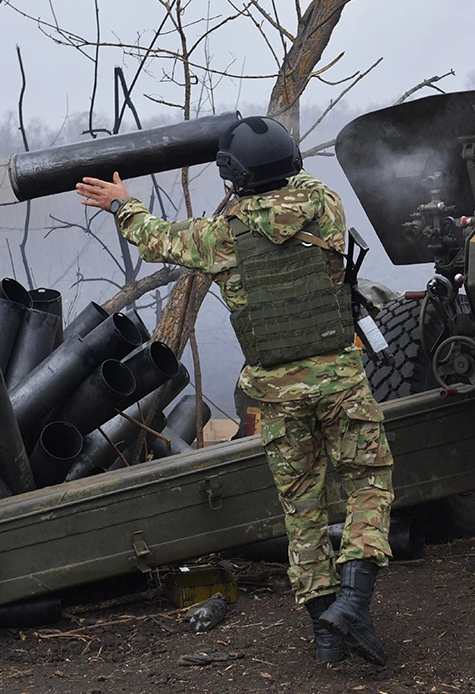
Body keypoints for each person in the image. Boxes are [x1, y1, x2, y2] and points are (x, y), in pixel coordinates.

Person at [76, 116, 393, 666]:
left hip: (274, 391)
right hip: (340, 380)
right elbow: (301, 183)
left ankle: (326, 636)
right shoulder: (326, 206)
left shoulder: (218, 238)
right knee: (368, 485)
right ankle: (354, 603)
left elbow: (155, 238)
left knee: (301, 507)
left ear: (233, 178)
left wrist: (121, 202)